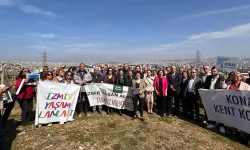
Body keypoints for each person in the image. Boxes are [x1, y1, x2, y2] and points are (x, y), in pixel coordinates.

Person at [203, 67, 227, 132]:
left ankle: (222, 126)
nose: (213, 73)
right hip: (210, 97)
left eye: (214, 71)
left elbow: (224, 88)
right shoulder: (208, 78)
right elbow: (205, 86)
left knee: (220, 112)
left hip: (218, 97)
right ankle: (212, 123)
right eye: (212, 71)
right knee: (211, 111)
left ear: (217, 71)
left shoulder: (221, 78)